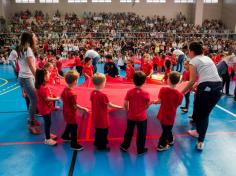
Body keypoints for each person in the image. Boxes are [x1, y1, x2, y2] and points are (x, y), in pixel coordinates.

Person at [181, 41, 222, 151]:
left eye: (188, 51)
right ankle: (198, 131)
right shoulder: (207, 58)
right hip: (218, 87)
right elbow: (210, 75)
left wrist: (180, 93)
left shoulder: (193, 61)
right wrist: (197, 84)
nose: (188, 53)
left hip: (207, 88)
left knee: (203, 114)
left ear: (192, 52)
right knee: (199, 111)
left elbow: (192, 80)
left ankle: (201, 141)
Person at [120, 71, 150, 155]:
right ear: (144, 82)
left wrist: (127, 110)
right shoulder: (146, 93)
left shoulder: (129, 92)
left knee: (129, 131)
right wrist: (143, 109)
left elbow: (125, 103)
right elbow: (148, 105)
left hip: (131, 116)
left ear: (133, 80)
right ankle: (140, 149)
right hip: (142, 118)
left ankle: (125, 146)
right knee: (141, 133)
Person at [152, 71, 183, 151]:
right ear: (178, 81)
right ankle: (163, 144)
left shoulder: (163, 89)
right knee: (167, 129)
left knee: (166, 129)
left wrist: (155, 101)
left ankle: (166, 142)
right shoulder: (179, 95)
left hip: (162, 114)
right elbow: (178, 104)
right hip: (170, 116)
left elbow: (159, 101)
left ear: (168, 80)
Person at [90, 73, 122, 150]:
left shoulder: (92, 93)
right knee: (104, 132)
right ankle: (102, 146)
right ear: (102, 83)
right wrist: (119, 107)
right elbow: (109, 105)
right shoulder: (103, 95)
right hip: (102, 118)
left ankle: (97, 142)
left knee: (98, 130)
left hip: (96, 116)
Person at [17, 32, 41, 134]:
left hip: (24, 77)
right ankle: (31, 123)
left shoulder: (22, 48)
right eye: (34, 36)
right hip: (26, 78)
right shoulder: (28, 50)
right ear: (30, 38)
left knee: (33, 100)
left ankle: (31, 118)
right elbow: (31, 66)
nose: (36, 38)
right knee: (34, 100)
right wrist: (38, 79)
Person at [61, 70, 88, 150]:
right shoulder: (72, 93)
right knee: (74, 127)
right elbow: (75, 106)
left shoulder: (65, 89)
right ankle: (74, 144)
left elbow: (62, 97)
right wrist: (84, 108)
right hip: (71, 113)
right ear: (75, 81)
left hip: (65, 111)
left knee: (69, 124)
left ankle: (65, 136)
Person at [35, 69, 60, 146]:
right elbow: (46, 98)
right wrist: (56, 99)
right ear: (43, 77)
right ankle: (47, 139)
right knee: (48, 123)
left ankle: (48, 134)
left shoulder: (43, 85)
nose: (49, 75)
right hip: (44, 108)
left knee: (48, 122)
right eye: (48, 74)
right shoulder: (43, 87)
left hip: (45, 107)